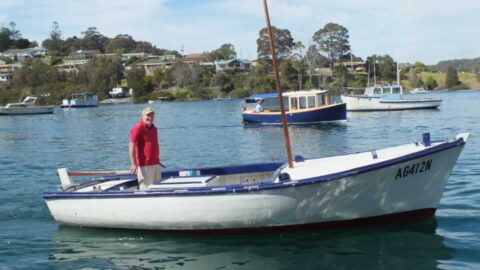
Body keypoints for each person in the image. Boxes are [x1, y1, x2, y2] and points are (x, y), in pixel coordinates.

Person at [129, 107, 161, 190]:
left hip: (156, 164)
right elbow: (131, 146)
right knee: (146, 190)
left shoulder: (154, 128)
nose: (150, 118)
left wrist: (157, 159)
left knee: (158, 190)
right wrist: (133, 164)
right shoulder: (137, 128)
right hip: (144, 166)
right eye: (148, 115)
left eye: (152, 116)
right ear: (142, 116)